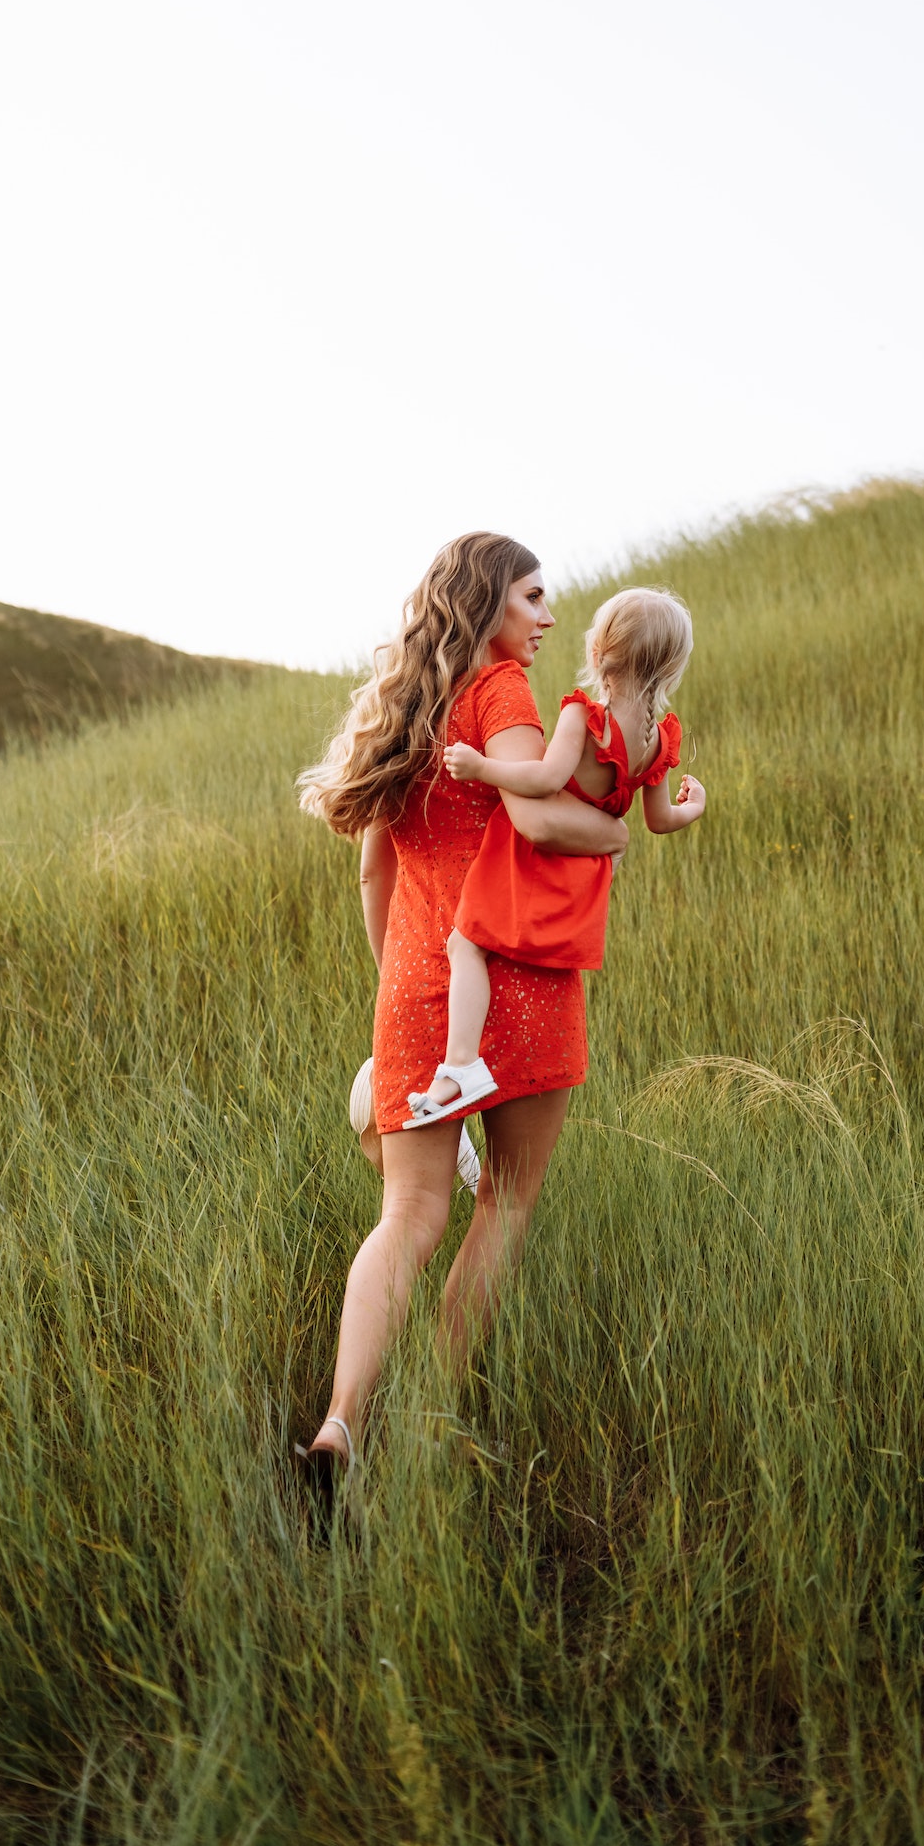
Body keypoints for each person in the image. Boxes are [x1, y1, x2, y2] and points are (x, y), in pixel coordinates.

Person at [291, 533, 628, 1486]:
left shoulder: (407, 708)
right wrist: (610, 830)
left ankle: (340, 1426)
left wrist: (402, 981)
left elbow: (373, 869)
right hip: (519, 980)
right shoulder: (500, 695)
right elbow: (530, 816)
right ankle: (433, 1419)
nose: (547, 617)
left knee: (406, 1215)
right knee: (504, 1206)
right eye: (532, 595)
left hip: (416, 985)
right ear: (488, 604)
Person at [403, 587, 707, 1124]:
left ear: (599, 652)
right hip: (583, 875)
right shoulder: (658, 739)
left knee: (465, 943)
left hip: (532, 857)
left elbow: (544, 780)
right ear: (671, 664)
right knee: (497, 950)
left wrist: (481, 767)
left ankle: (461, 1064)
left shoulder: (584, 718)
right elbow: (659, 820)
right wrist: (694, 808)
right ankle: (469, 1067)